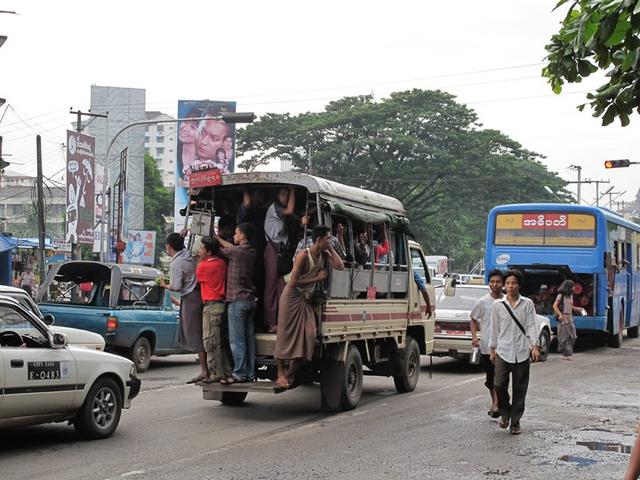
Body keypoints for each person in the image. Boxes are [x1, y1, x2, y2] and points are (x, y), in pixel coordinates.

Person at [275, 225, 345, 388]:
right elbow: (293, 282)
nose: (330, 241)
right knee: (284, 335)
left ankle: (291, 373)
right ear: (319, 240)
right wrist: (317, 278)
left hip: (305, 300)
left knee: (310, 336)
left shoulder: (324, 254)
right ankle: (280, 373)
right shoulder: (303, 256)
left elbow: (340, 266)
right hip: (292, 297)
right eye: (327, 239)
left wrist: (331, 251)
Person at [490, 269, 541, 435]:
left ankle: (515, 422)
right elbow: (494, 328)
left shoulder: (527, 304)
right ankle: (505, 413)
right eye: (508, 283)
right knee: (498, 384)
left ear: (519, 285)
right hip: (503, 351)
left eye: (514, 283)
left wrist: (534, 346)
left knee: (520, 388)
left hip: (521, 351)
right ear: (505, 286)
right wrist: (492, 348)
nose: (510, 286)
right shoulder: (498, 305)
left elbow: (532, 325)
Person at [160, 233, 208, 384]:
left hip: (190, 298)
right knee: (199, 332)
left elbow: (176, 286)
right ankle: (206, 369)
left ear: (169, 246)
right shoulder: (187, 255)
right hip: (197, 295)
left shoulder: (176, 263)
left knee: (195, 334)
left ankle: (205, 370)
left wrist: (164, 285)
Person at [214, 223, 257, 383]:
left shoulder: (236, 252)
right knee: (248, 340)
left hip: (237, 301)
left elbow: (226, 248)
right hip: (250, 300)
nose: (233, 236)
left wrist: (216, 238)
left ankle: (239, 373)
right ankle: (249, 373)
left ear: (243, 236)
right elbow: (231, 246)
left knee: (237, 340)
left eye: (236, 233)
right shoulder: (251, 252)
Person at [195, 236, 233, 383]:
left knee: (210, 342)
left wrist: (199, 258)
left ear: (209, 252)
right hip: (221, 304)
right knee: (220, 342)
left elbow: (197, 278)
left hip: (211, 306)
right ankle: (226, 371)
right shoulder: (222, 263)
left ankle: (216, 372)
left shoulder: (204, 266)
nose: (199, 251)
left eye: (201, 249)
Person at [470, 269, 504, 419]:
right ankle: (495, 402)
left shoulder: (507, 301)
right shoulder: (482, 302)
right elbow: (473, 319)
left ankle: (497, 404)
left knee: (500, 377)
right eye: (492, 282)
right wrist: (474, 337)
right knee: (491, 379)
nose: (495, 284)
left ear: (503, 284)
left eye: (498, 282)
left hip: (504, 347)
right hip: (486, 347)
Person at [263, 186, 296, 333]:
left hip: (281, 252)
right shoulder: (275, 208)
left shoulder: (280, 210)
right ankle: (271, 323)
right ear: (278, 195)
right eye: (284, 195)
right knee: (271, 288)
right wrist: (293, 191)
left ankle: (280, 321)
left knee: (282, 287)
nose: (286, 198)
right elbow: (290, 211)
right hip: (272, 250)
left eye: (288, 195)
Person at [553, 279, 585, 361]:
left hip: (570, 317)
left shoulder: (571, 296)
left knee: (573, 336)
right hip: (563, 318)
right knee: (564, 337)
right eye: (572, 286)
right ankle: (565, 354)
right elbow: (555, 306)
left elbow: (571, 306)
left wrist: (578, 309)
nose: (574, 288)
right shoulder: (561, 295)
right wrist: (560, 315)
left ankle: (568, 353)